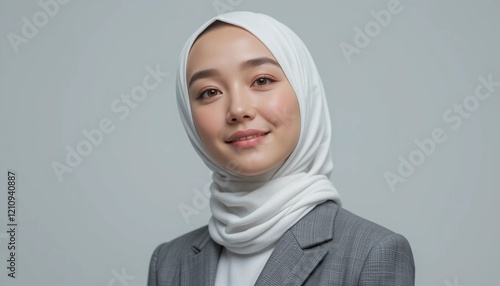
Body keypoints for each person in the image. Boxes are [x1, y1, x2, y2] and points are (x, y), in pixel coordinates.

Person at [147, 11, 415, 286]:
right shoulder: (169, 262)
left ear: (304, 92)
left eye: (262, 80)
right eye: (210, 92)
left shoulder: (373, 252)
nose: (238, 109)